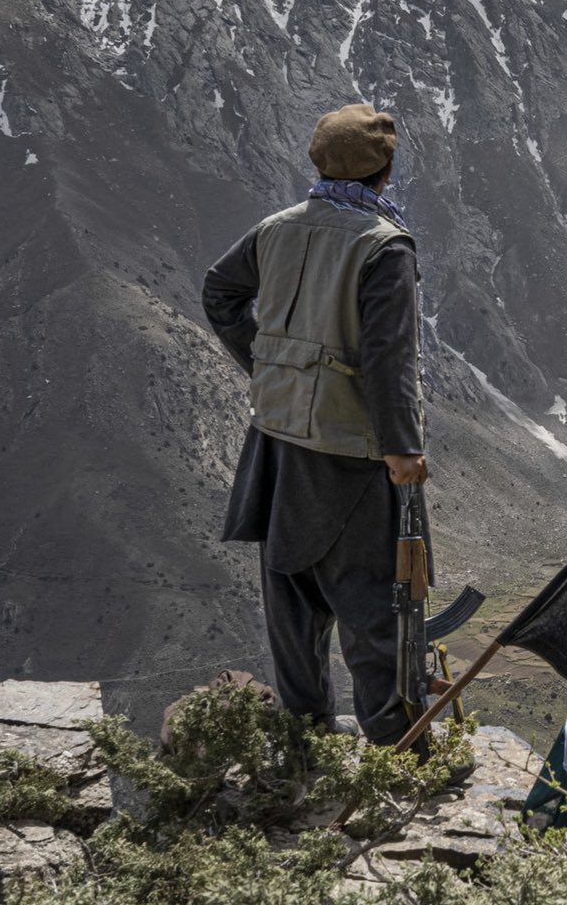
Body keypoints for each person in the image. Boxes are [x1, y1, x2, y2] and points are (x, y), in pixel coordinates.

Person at [201, 104, 428, 747]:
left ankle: (305, 743)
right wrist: (402, 448)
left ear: (318, 162)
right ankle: (396, 748)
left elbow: (220, 293)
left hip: (274, 444)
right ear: (385, 170)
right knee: (374, 606)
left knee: (291, 598)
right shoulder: (385, 247)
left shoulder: (274, 230)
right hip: (351, 454)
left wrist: (270, 366)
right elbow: (390, 360)